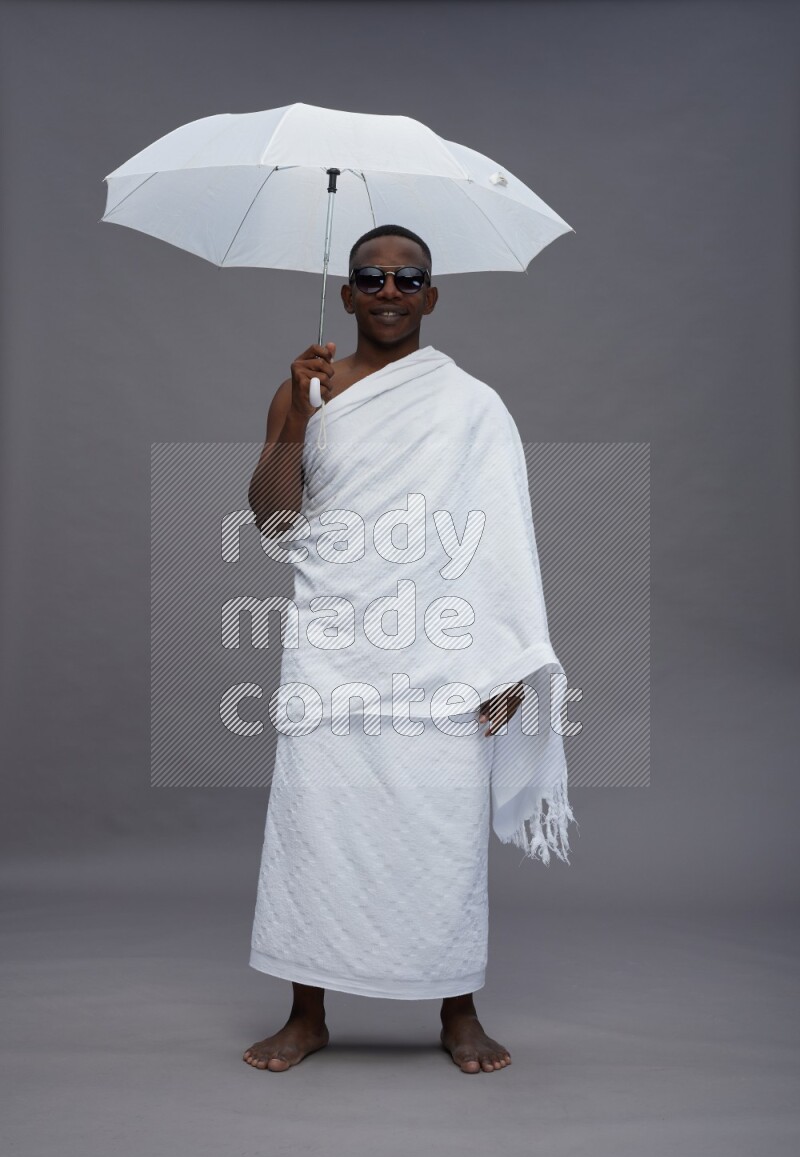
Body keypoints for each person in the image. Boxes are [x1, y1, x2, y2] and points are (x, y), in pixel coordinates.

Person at [243, 224, 571, 1074]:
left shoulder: (472, 405)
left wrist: (503, 664)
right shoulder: (305, 391)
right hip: (333, 642)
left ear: (432, 295)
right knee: (315, 826)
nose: (389, 292)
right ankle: (305, 1011)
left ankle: (457, 1007)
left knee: (441, 828)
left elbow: (502, 538)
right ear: (346, 294)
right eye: (371, 278)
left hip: (440, 654)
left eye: (407, 278)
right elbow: (276, 521)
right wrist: (294, 415)